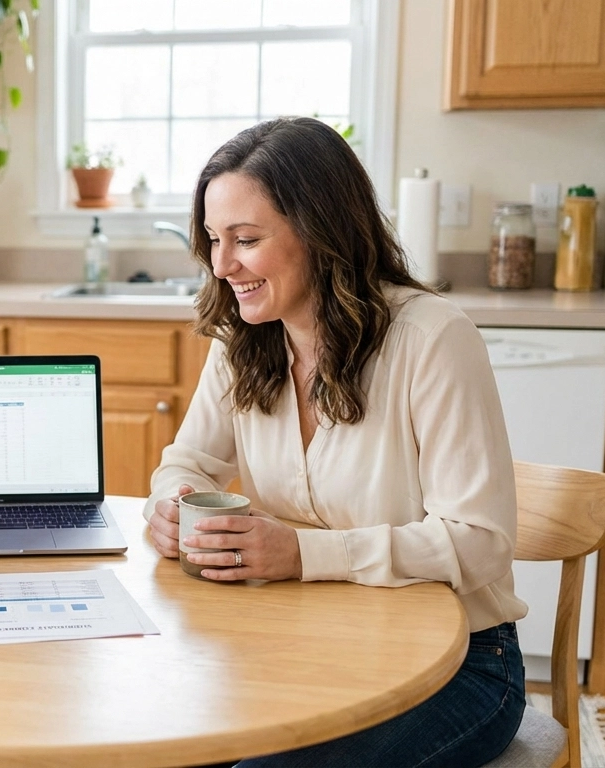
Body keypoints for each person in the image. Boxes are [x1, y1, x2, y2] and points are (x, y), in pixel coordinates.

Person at [145, 117, 527, 767]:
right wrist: (174, 502)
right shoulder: (242, 341)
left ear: (320, 232)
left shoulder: (430, 338)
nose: (222, 264)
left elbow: (480, 540)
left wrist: (301, 554)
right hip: (299, 642)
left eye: (246, 239)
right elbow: (189, 461)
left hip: (458, 663)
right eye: (213, 239)